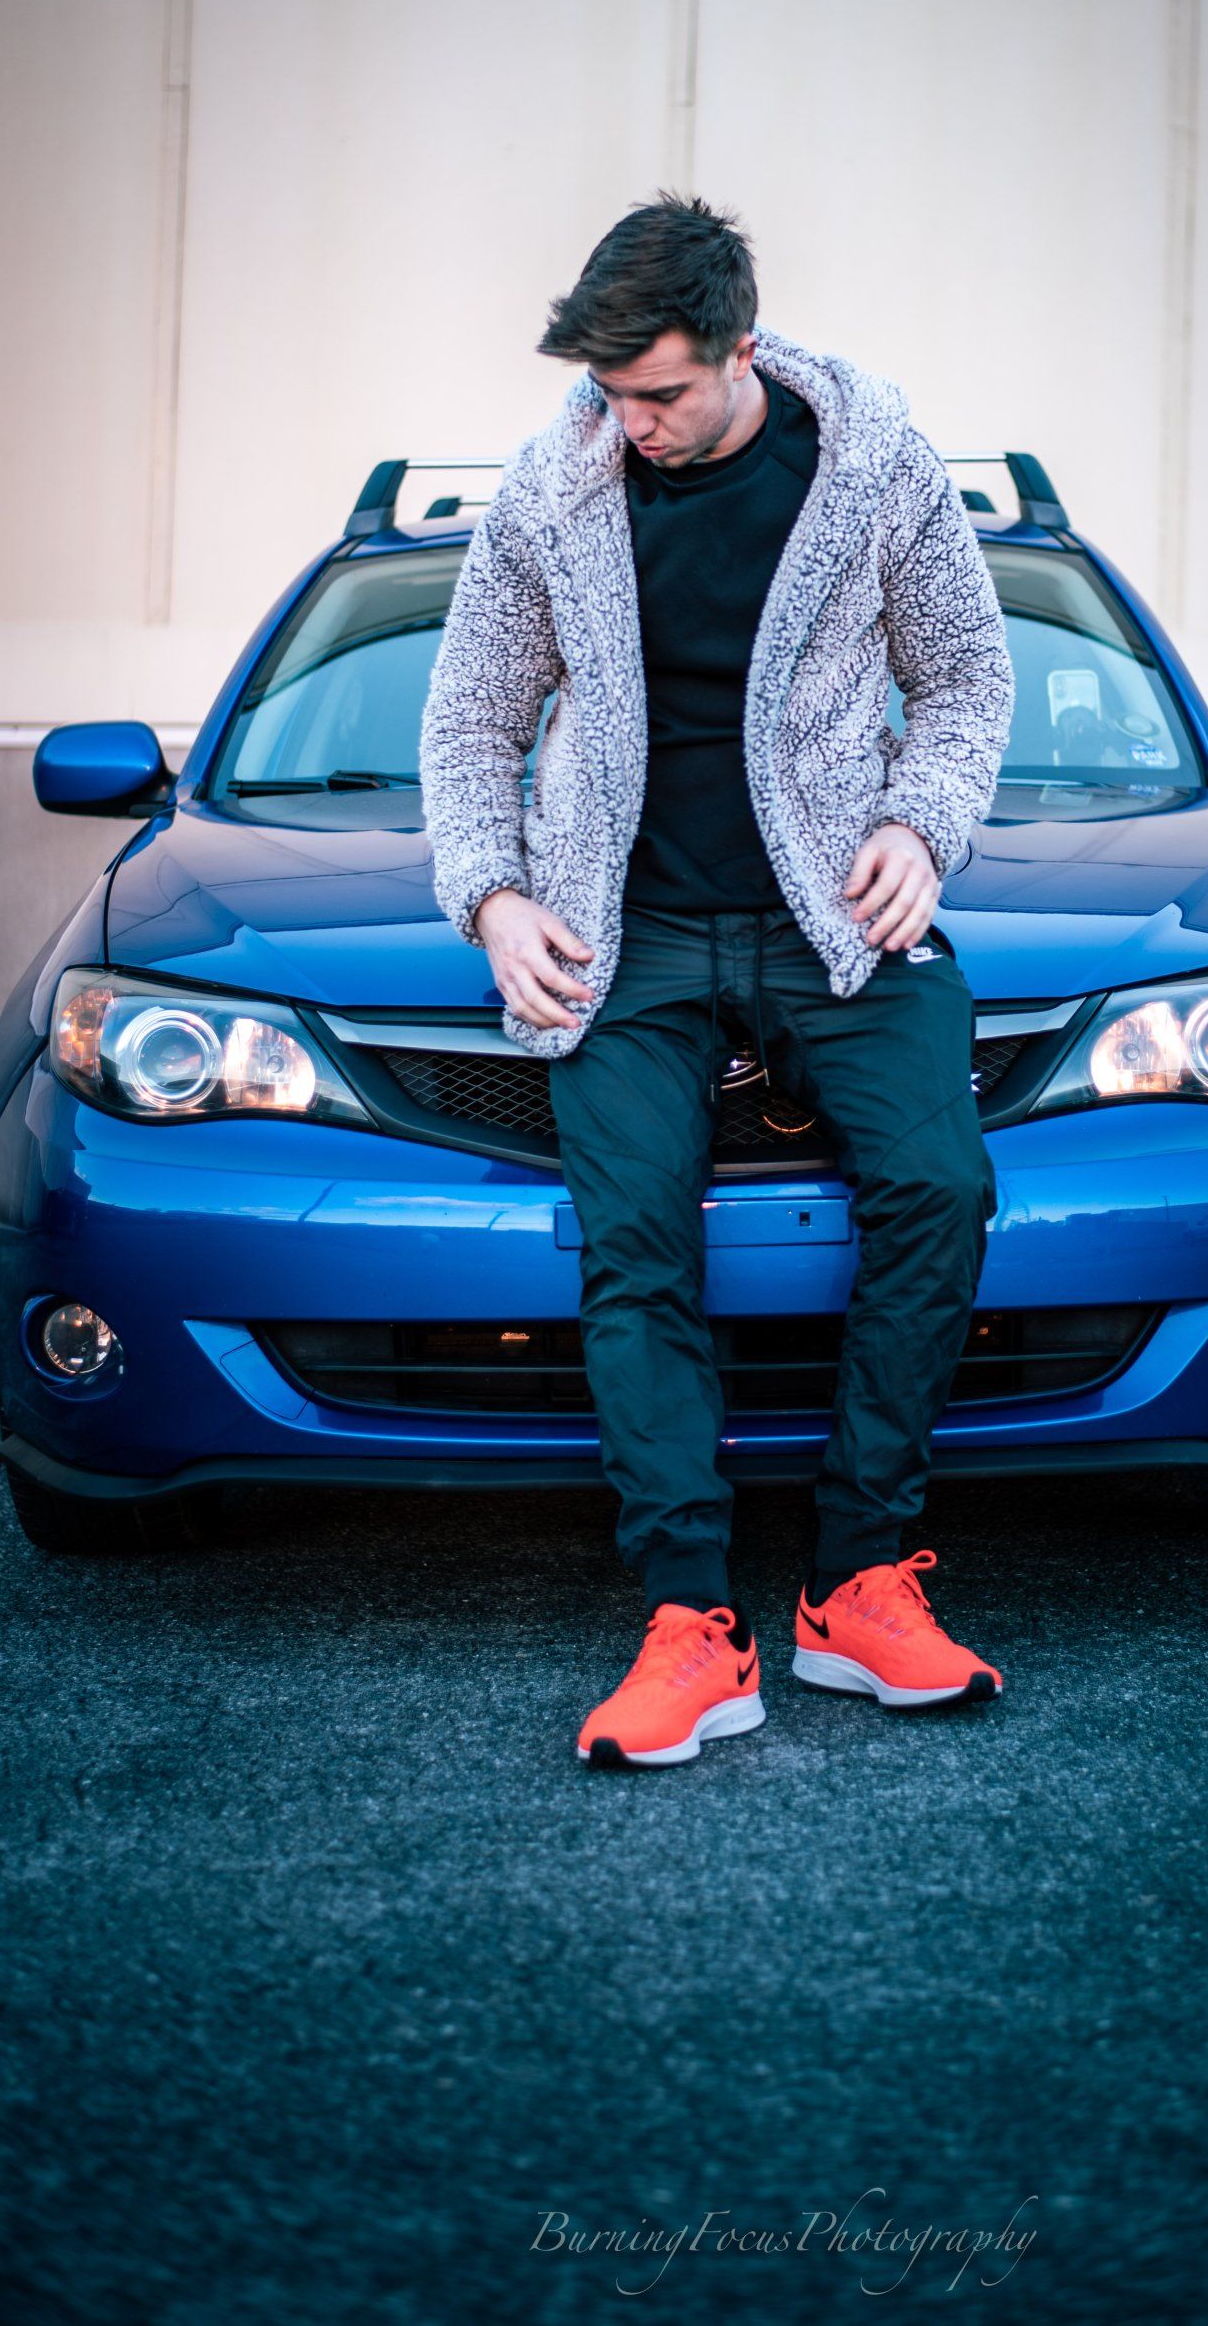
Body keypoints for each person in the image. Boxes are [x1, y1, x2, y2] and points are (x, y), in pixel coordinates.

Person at [419, 197, 1016, 1768]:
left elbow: (966, 678)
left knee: (941, 1187)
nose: (636, 422)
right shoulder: (551, 489)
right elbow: (473, 717)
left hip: (837, 918)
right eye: (614, 392)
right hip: (626, 929)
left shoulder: (875, 465)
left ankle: (858, 1581)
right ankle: (692, 1621)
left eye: (664, 393)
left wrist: (920, 824)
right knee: (634, 1244)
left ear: (744, 347)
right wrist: (493, 897)